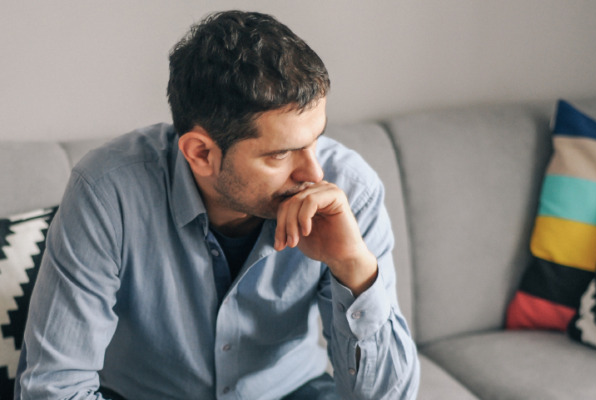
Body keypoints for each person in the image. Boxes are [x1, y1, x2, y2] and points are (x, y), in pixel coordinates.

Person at [15, 10, 419, 400]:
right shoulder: (106, 193)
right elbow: (53, 388)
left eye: (315, 140)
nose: (312, 173)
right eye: (280, 154)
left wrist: (354, 268)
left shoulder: (349, 190)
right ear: (201, 154)